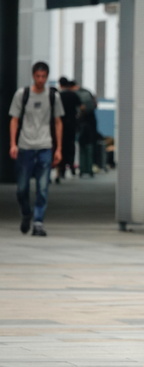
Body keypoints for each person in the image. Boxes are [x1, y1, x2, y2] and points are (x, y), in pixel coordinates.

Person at [9, 61, 65, 237]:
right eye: (38, 76)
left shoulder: (52, 96)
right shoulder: (22, 94)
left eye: (44, 77)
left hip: (45, 146)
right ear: (33, 76)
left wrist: (58, 149)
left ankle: (38, 221)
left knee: (42, 187)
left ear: (47, 77)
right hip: (25, 146)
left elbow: (58, 122)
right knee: (22, 188)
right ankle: (26, 213)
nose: (41, 80)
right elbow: (14, 119)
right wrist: (13, 144)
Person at [70, 80, 98, 177]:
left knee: (81, 147)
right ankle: (90, 168)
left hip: (81, 123)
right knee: (89, 147)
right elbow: (95, 105)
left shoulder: (75, 94)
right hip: (91, 122)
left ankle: (82, 169)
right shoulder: (87, 92)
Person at [56, 77, 82, 181]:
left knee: (61, 146)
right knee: (71, 145)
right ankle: (71, 166)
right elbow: (81, 107)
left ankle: (61, 169)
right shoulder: (73, 95)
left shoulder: (59, 96)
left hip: (61, 124)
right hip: (72, 123)